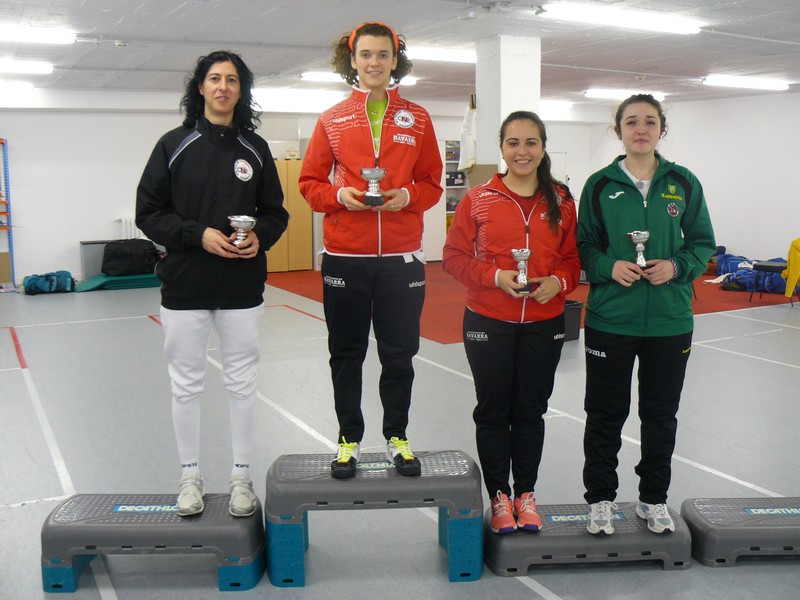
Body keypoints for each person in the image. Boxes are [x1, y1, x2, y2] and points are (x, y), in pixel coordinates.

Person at [136, 50, 289, 517]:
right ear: (200, 87)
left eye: (232, 80)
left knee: (242, 383)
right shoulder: (172, 144)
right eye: (215, 78)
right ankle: (190, 477)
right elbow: (148, 213)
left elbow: (275, 212)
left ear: (241, 91)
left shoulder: (255, 149)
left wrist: (259, 237)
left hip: (242, 287)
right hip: (185, 286)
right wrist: (195, 234)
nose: (223, 87)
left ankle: (241, 477)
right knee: (186, 385)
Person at [299, 22, 443, 479]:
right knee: (347, 353)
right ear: (353, 60)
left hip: (402, 258)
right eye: (366, 54)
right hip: (346, 256)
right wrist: (339, 196)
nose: (374, 62)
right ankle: (348, 440)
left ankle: (397, 437)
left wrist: (408, 197)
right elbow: (310, 184)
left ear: (395, 60)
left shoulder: (417, 117)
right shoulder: (332, 119)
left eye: (382, 54)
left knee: (399, 354)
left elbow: (432, 183)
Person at [577, 94, 715, 535]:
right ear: (618, 130)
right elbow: (584, 247)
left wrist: (676, 266)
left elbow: (702, 243)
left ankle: (653, 499)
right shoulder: (599, 185)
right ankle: (600, 499)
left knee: (660, 416)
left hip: (670, 322)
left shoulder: (683, 182)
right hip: (610, 320)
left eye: (650, 121)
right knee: (605, 414)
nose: (641, 129)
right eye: (632, 121)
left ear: (661, 129)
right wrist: (608, 266)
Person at [442, 111, 580, 533]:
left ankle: (526, 494)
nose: (522, 151)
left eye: (531, 142)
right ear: (501, 148)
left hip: (544, 321)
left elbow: (573, 260)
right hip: (488, 319)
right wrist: (495, 277)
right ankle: (500, 497)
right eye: (513, 142)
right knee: (493, 409)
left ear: (543, 147)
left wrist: (558, 283)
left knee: (530, 411)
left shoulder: (561, 200)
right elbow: (453, 257)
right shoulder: (478, 199)